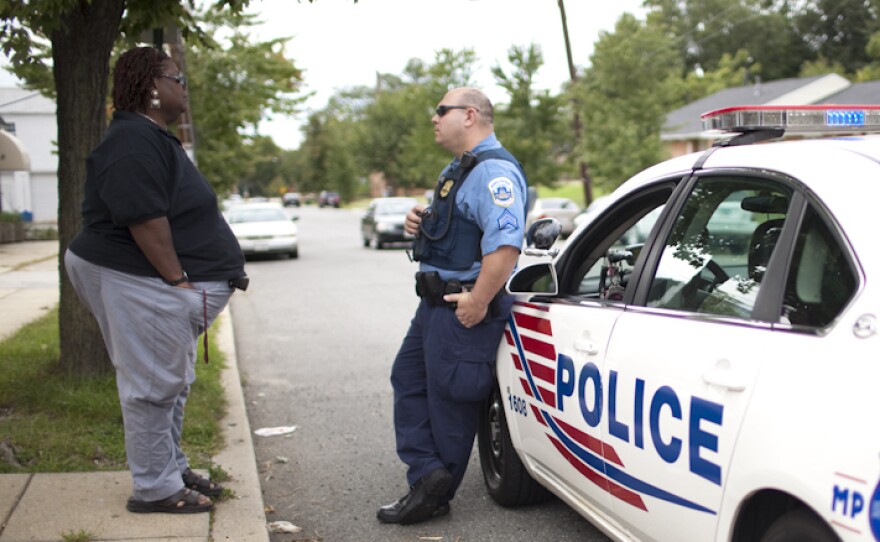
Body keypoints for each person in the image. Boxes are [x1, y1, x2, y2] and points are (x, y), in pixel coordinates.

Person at [64, 46, 248, 514]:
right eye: (176, 78)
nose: (182, 87)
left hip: (151, 283)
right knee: (151, 385)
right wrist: (179, 283)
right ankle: (155, 488)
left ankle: (169, 466)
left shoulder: (150, 136)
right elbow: (143, 218)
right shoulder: (131, 141)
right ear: (150, 87)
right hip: (137, 277)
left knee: (170, 381)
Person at [377, 87, 528, 525]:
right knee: (407, 377)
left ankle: (431, 493)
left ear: (469, 115)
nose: (434, 118)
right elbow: (460, 229)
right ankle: (428, 474)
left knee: (450, 400)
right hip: (435, 304)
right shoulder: (463, 169)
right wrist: (420, 223)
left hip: (462, 305)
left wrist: (479, 301)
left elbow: (504, 246)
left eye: (440, 111)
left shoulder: (493, 171)